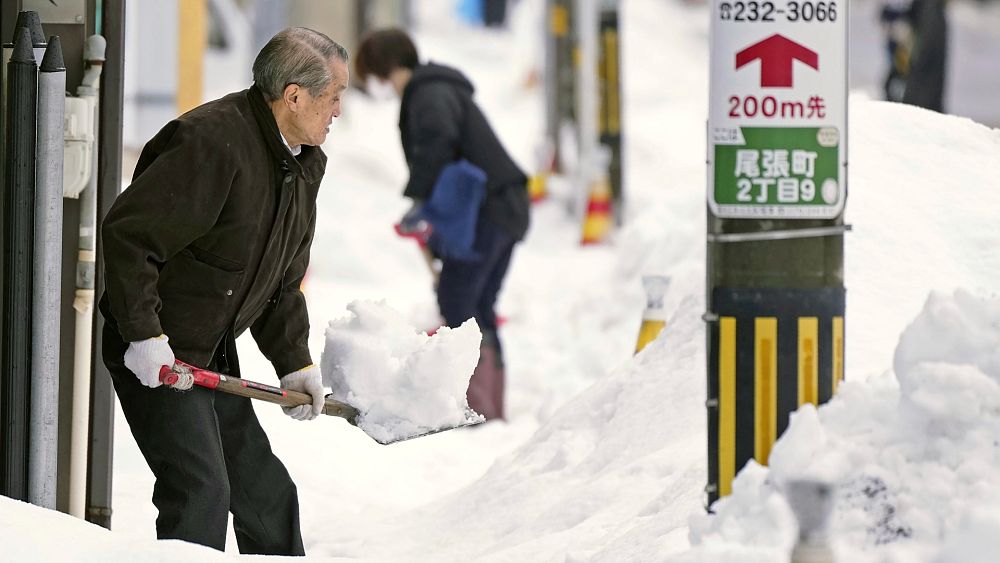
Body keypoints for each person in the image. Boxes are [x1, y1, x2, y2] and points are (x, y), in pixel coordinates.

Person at [98, 27, 348, 554]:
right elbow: (129, 237)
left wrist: (294, 362)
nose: (338, 112)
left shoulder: (303, 164)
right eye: (333, 97)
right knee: (200, 492)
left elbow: (281, 281)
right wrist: (142, 335)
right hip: (158, 348)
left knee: (266, 494)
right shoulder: (210, 142)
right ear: (294, 96)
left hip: (210, 348)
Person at [354, 28, 530, 421]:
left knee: (459, 300)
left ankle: (479, 406)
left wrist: (419, 200)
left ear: (384, 68)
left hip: (492, 209)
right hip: (501, 206)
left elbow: (436, 140)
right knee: (475, 302)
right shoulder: (434, 89)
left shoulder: (428, 93)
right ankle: (488, 406)